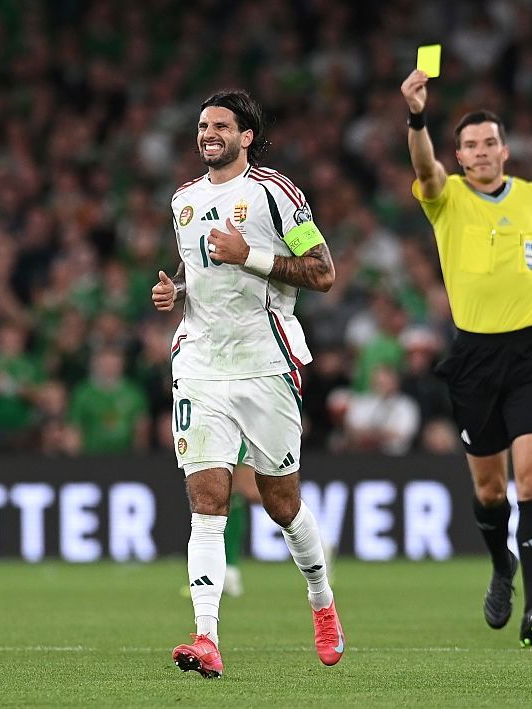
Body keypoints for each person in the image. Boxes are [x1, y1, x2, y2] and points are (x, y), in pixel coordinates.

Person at [151, 89, 343, 679]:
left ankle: (321, 600)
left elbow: (324, 272)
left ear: (246, 136)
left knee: (283, 503)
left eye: (220, 126)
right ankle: (206, 637)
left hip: (267, 364)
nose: (208, 134)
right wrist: (175, 294)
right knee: (207, 502)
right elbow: (197, 269)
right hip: (201, 364)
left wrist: (251, 256)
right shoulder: (183, 199)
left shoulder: (274, 193)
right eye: (202, 126)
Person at [401, 70, 532, 648]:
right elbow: (424, 167)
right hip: (475, 356)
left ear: (504, 149)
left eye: (489, 143)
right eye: (470, 146)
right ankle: (501, 566)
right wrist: (416, 117)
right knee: (490, 491)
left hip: (530, 350)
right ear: (459, 155)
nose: (481, 153)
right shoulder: (445, 195)